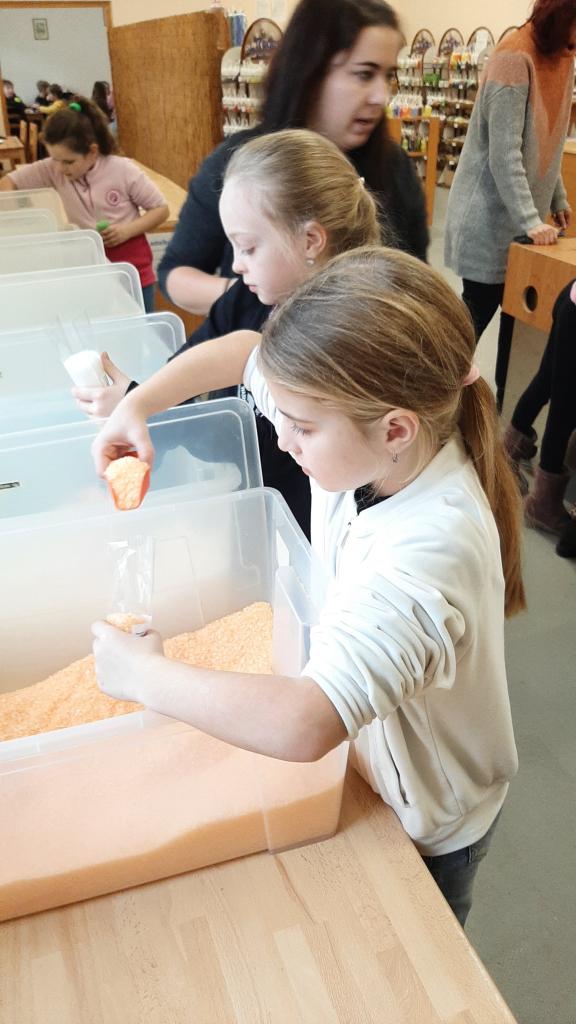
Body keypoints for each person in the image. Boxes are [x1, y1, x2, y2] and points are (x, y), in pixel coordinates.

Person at [91, 246, 525, 927]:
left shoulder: (429, 550)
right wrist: (138, 405)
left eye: (301, 428)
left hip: (430, 818)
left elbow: (305, 721)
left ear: (395, 429)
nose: (284, 439)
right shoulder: (367, 435)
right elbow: (245, 353)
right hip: (375, 762)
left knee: (409, 949)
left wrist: (142, 674)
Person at [71, 129, 382, 538]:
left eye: (248, 247)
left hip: (306, 530)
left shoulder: (339, 340)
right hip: (255, 512)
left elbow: (252, 446)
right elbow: (192, 365)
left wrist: (141, 404)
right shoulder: (248, 298)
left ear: (310, 240)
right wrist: (138, 404)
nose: (235, 265)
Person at [158, 0, 428, 317]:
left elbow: (416, 282)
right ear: (310, 71)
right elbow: (176, 273)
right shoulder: (239, 163)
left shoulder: (394, 167)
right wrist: (257, 295)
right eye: (364, 74)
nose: (381, 96)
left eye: (388, 75)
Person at [444, 0, 576, 410]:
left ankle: (505, 408)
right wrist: (531, 219)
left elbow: (546, 142)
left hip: (523, 225)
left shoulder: (563, 56)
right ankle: (432, 399)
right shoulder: (513, 58)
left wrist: (557, 197)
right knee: (471, 322)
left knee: (518, 322)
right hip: (487, 222)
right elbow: (505, 155)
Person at [0, 97, 169, 313]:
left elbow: (161, 209)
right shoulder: (54, 168)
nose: (60, 168)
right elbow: (8, 183)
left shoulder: (123, 170)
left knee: (141, 320)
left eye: (68, 162)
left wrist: (126, 231)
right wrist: (19, 219)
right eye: (55, 160)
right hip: (91, 266)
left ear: (92, 152)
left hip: (132, 267)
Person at [504, 279, 576, 555]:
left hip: (570, 297)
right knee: (565, 407)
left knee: (547, 381)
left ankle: (505, 457)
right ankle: (543, 504)